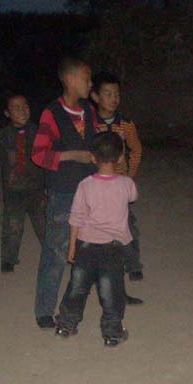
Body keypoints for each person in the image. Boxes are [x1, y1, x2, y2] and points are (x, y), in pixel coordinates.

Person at [31, 57, 98, 329]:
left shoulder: (89, 111)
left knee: (87, 249)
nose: (90, 84)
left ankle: (74, 305)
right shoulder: (52, 113)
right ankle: (44, 309)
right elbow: (38, 155)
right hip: (63, 192)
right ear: (69, 80)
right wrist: (73, 155)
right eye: (86, 79)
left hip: (89, 189)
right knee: (56, 251)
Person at [54, 131, 136, 347]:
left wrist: (72, 246)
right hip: (113, 248)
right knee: (111, 291)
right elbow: (133, 197)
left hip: (86, 246)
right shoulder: (126, 184)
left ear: (92, 157)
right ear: (121, 158)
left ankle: (66, 324)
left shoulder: (85, 185)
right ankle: (112, 333)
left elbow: (76, 217)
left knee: (77, 287)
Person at [91, 71, 145, 304]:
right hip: (97, 185)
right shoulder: (90, 123)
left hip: (119, 185)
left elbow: (136, 149)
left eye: (116, 94)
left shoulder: (126, 124)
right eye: (108, 94)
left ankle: (132, 264)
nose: (113, 99)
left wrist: (129, 177)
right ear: (95, 96)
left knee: (127, 227)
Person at [0, 93, 46, 273]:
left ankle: (52, 253)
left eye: (25, 106)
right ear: (7, 113)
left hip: (37, 188)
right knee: (12, 226)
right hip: (13, 189)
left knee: (44, 224)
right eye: (16, 108)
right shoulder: (3, 136)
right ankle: (9, 259)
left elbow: (48, 159)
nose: (22, 111)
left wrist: (51, 185)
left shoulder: (38, 132)